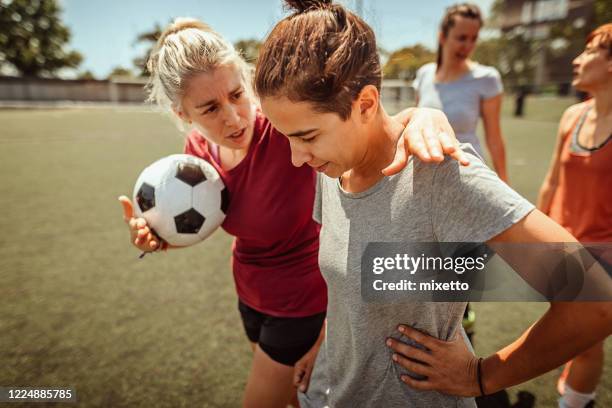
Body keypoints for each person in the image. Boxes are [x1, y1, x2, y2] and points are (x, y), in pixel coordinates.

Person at [253, 1, 612, 407]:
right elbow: (347, 287)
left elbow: (594, 301)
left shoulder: (442, 175)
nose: (296, 157)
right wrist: (324, 343)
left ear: (366, 104)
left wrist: (483, 375)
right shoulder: (331, 169)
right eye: (286, 137)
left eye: (307, 136)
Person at [118, 18, 467, 408]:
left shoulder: (286, 131)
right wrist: (158, 239)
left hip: (302, 302)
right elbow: (207, 222)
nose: (233, 117)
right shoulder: (195, 157)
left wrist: (425, 116)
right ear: (184, 114)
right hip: (250, 295)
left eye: (236, 94)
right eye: (210, 108)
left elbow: (368, 127)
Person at [537, 23, 612, 408]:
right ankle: (578, 390)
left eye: (589, 52)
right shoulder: (571, 117)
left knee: (585, 340)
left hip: (603, 255)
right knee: (565, 330)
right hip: (562, 243)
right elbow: (551, 182)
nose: (577, 59)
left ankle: (577, 402)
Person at [414, 3, 508, 183]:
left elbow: (494, 139)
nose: (468, 45)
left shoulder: (487, 78)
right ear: (442, 37)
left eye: (473, 38)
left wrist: (504, 181)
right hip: (425, 175)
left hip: (467, 175)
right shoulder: (424, 74)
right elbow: (416, 125)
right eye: (461, 38)